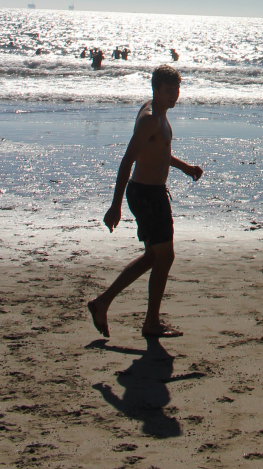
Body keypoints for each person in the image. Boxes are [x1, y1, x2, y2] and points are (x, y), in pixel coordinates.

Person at [88, 65, 203, 338]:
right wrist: (115, 206)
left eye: (176, 90)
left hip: (152, 193)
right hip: (146, 195)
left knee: (154, 256)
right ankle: (151, 323)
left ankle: (102, 302)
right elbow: (128, 160)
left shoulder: (158, 113)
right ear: (156, 90)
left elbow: (158, 152)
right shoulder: (150, 119)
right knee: (165, 256)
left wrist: (185, 168)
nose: (173, 96)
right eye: (168, 91)